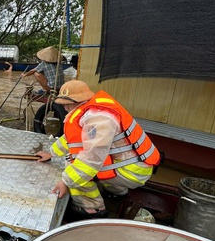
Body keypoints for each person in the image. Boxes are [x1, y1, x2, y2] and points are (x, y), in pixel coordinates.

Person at [35, 80, 161, 221]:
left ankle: (91, 209)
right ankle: (117, 193)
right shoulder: (90, 110)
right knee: (89, 166)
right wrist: (51, 153)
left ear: (79, 100)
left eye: (66, 103)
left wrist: (65, 181)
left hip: (132, 171)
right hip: (131, 164)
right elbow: (72, 138)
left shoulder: (98, 119)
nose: (63, 106)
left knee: (74, 167)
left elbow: (91, 159)